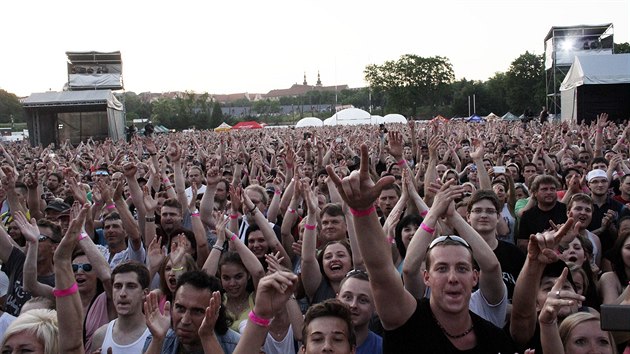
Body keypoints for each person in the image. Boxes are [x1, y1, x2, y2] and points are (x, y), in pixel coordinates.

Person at [326, 144, 514, 353]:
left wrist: (452, 217)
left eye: (462, 268)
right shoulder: (405, 320)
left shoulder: (495, 341)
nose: (452, 278)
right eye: (441, 268)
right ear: (426, 277)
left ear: (474, 277)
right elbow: (380, 271)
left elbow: (493, 266)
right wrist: (363, 211)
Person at [143, 270, 240, 354]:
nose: (185, 320)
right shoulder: (157, 340)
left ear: (215, 312)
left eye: (197, 311)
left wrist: (207, 336)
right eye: (180, 308)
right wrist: (157, 341)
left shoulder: (236, 346)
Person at [337, 270, 382, 354]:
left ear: (375, 306)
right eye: (348, 297)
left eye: (363, 300)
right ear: (337, 299)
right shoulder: (320, 345)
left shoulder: (382, 348)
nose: (353, 305)